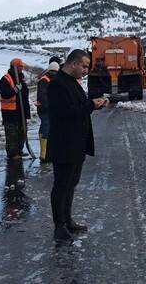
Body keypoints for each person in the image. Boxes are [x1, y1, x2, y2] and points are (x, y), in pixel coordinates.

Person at [48, 49, 107, 241]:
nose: (85, 70)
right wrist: (91, 105)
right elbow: (66, 112)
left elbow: (80, 106)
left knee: (71, 184)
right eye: (84, 66)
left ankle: (68, 220)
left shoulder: (73, 82)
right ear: (73, 64)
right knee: (62, 185)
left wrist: (94, 103)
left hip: (77, 143)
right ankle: (59, 227)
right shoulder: (57, 84)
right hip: (64, 143)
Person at [0, 58, 31, 160]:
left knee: (22, 132)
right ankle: (12, 154)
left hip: (21, 111)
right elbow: (5, 94)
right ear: (15, 67)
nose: (22, 69)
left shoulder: (21, 79)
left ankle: (19, 150)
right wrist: (15, 90)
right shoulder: (5, 79)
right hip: (10, 112)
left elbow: (25, 94)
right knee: (12, 134)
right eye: (20, 67)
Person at [36, 61, 60, 163]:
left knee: (48, 129)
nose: (54, 73)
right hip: (45, 110)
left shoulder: (51, 79)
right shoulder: (44, 80)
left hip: (50, 109)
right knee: (46, 129)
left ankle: (48, 153)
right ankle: (44, 154)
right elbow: (43, 96)